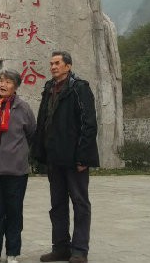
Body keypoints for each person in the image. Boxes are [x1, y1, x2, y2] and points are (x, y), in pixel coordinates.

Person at [31, 51, 99, 263]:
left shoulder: (79, 88)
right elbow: (42, 122)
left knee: (80, 203)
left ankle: (79, 250)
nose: (53, 67)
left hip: (74, 158)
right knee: (57, 204)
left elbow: (89, 125)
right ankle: (60, 247)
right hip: (55, 158)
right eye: (51, 63)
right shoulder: (49, 88)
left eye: (57, 63)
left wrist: (83, 157)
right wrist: (39, 154)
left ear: (68, 66)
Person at [0, 69, 37, 263]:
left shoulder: (23, 109)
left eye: (8, 82)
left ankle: (12, 252)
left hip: (15, 170)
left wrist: (16, 152)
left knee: (13, 210)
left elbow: (31, 133)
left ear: (16, 86)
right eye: (1, 81)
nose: (3, 85)